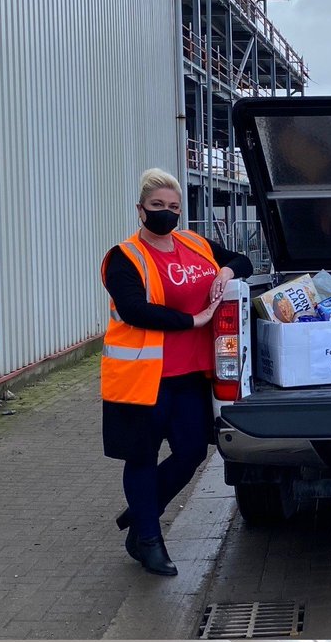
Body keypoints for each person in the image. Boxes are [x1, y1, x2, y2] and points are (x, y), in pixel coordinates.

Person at [101, 168, 253, 576]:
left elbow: (243, 260)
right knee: (142, 458)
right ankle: (148, 540)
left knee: (191, 453)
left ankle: (142, 515)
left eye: (173, 207)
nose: (166, 214)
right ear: (140, 210)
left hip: (190, 376)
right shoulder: (124, 257)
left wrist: (225, 271)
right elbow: (134, 309)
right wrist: (195, 321)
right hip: (143, 379)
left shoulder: (194, 243)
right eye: (157, 207)